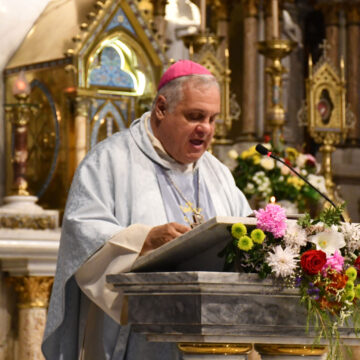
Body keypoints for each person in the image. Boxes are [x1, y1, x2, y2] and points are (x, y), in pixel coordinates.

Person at [41, 60, 252, 359]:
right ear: (161, 108)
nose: (205, 128)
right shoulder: (110, 161)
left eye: (212, 118)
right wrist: (143, 240)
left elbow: (244, 232)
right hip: (137, 339)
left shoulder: (217, 173)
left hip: (214, 340)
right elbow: (82, 232)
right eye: (194, 116)